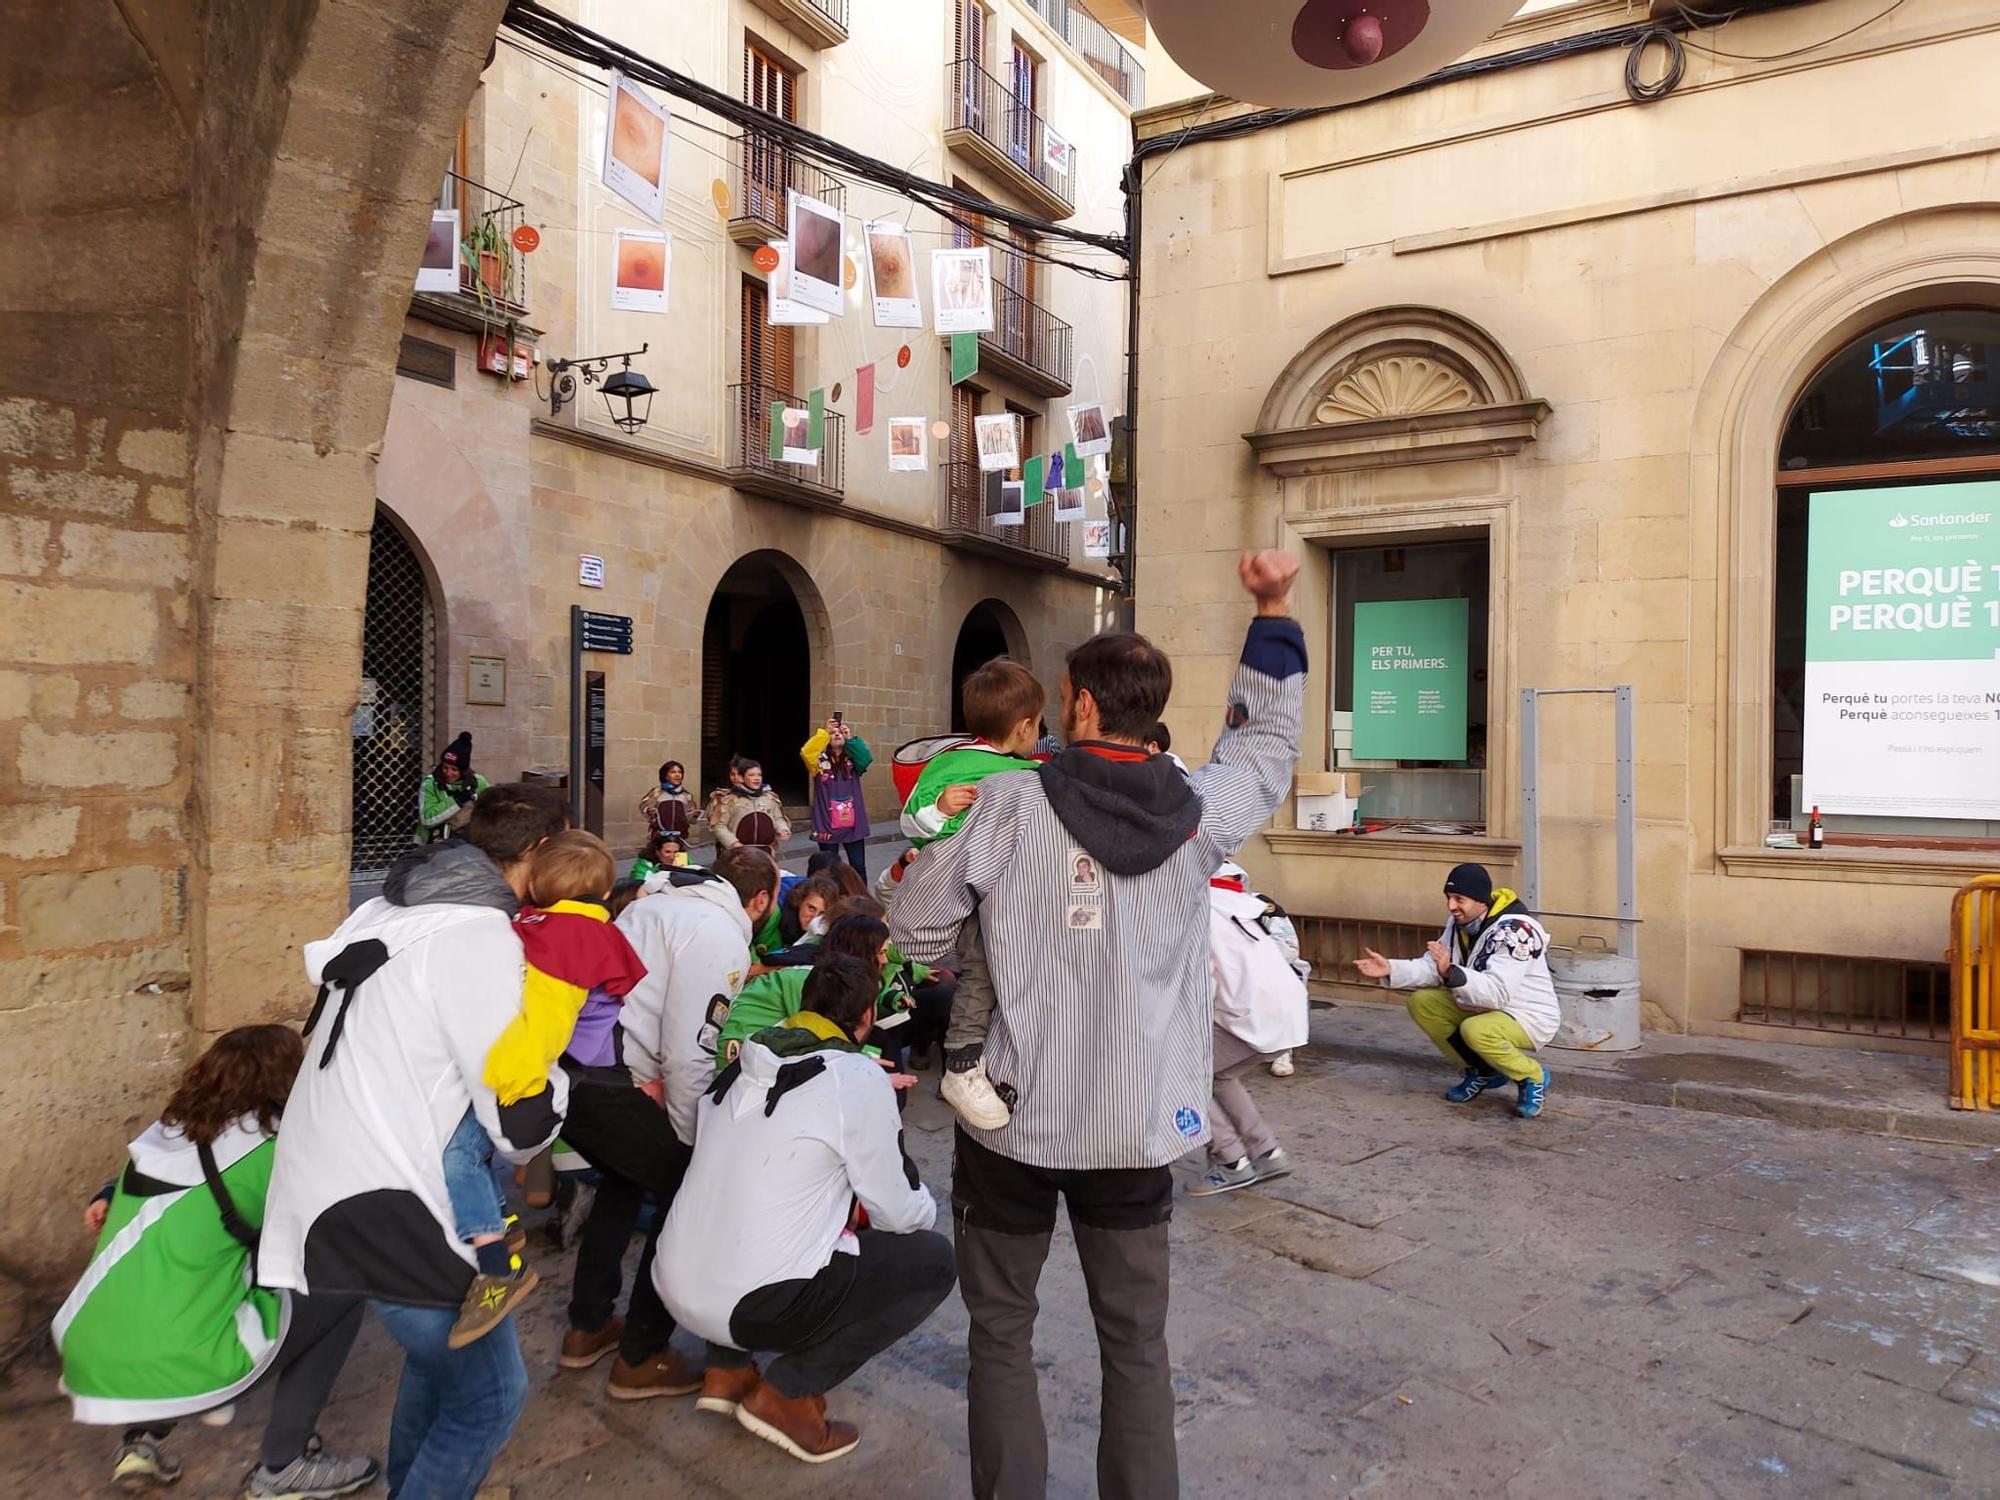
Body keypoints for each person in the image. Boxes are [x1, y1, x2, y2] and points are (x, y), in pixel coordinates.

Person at [891, 549, 1305, 1500]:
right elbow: (1265, 752)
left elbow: (916, 933)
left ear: (1078, 707)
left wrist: (945, 857)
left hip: (1014, 1123)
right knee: (1137, 1345)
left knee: (1001, 1335)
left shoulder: (1002, 803)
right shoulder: (1199, 814)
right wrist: (1274, 610)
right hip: (1137, 1130)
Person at [262, 782, 571, 1500]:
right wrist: (560, 1074)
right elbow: (517, 1122)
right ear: (540, 852)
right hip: (393, 1195)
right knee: (491, 1397)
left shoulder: (389, 906)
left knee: (440, 1370)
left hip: (326, 1176)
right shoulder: (479, 938)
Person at [53, 1027, 377, 1500]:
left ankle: (140, 1445)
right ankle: (285, 1464)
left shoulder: (165, 1137)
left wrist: (107, 1194)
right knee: (345, 1285)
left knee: (181, 1282)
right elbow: (340, 1222)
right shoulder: (273, 1151)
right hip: (183, 1355)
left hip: (90, 1352)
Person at [657, 955, 956, 1464]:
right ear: (865, 1019)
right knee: (932, 1260)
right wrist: (922, 1201)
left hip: (673, 1282)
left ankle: (725, 1371)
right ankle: (787, 1393)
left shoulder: (743, 1062)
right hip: (751, 1304)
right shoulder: (855, 1078)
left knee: (757, 1211)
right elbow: (898, 1214)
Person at [554, 848, 780, 1398]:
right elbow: (689, 1053)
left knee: (624, 1182)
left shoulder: (656, 906)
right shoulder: (718, 931)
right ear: (760, 900)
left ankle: (588, 1325)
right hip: (615, 1078)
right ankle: (642, 1355)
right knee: (682, 1190)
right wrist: (691, 1139)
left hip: (579, 1072)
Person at [443, 830, 646, 1347]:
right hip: (566, 1064)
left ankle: (498, 1262)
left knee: (461, 1156)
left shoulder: (551, 930)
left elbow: (546, 1016)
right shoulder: (570, 928)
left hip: (544, 1069)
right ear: (603, 893)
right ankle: (509, 1223)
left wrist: (517, 1082)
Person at [895, 656, 1046, 1127]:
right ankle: (961, 1063)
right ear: (1024, 726)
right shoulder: (970, 771)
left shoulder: (1009, 767)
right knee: (980, 972)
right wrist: (938, 809)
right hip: (974, 897)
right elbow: (911, 824)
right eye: (1039, 724)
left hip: (1000, 896)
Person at [1352, 863, 1559, 1118]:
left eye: (1459, 899)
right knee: (1423, 1002)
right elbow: (1433, 966)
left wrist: (1450, 972)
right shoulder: (1459, 922)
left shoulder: (1518, 931)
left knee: (1475, 1030)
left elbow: (1497, 992)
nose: (1451, 906)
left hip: (1527, 1014)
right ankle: (1483, 1071)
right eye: (1449, 898)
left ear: (1481, 901)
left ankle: (1531, 1075)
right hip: (1481, 1005)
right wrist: (1391, 969)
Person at [1188, 862, 1309, 1197]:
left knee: (1180, 1075)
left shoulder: (1200, 913)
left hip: (1251, 1017)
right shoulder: (1241, 911)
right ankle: (1266, 1152)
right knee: (1219, 1076)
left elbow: (1201, 983)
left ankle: (1230, 1161)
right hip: (1289, 1015)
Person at [802, 717, 873, 877]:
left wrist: (850, 739)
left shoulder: (854, 763)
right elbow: (807, 752)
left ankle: (859, 897)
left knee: (858, 865)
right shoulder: (817, 764)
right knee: (830, 868)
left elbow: (866, 758)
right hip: (827, 824)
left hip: (852, 824)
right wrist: (824, 733)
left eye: (840, 732)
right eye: (833, 733)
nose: (837, 734)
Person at [416, 731, 490, 844]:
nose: (448, 773)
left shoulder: (478, 782)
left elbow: (491, 810)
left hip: (468, 842)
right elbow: (427, 819)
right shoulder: (430, 783)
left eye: (454, 770)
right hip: (434, 843)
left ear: (463, 771)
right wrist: (457, 800)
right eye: (445, 767)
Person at [708, 757, 791, 853]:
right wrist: (733, 843)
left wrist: (783, 829)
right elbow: (719, 826)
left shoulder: (769, 798)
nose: (757, 778)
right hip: (738, 852)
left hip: (766, 851)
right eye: (751, 775)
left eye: (759, 775)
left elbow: (778, 818)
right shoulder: (730, 801)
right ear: (742, 778)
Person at [639, 759, 699, 841]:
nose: (677, 775)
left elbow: (690, 818)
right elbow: (643, 807)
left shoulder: (686, 795)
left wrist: (694, 815)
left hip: (680, 837)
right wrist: (649, 811)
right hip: (659, 836)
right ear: (666, 776)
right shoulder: (657, 793)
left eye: (680, 772)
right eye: (673, 772)